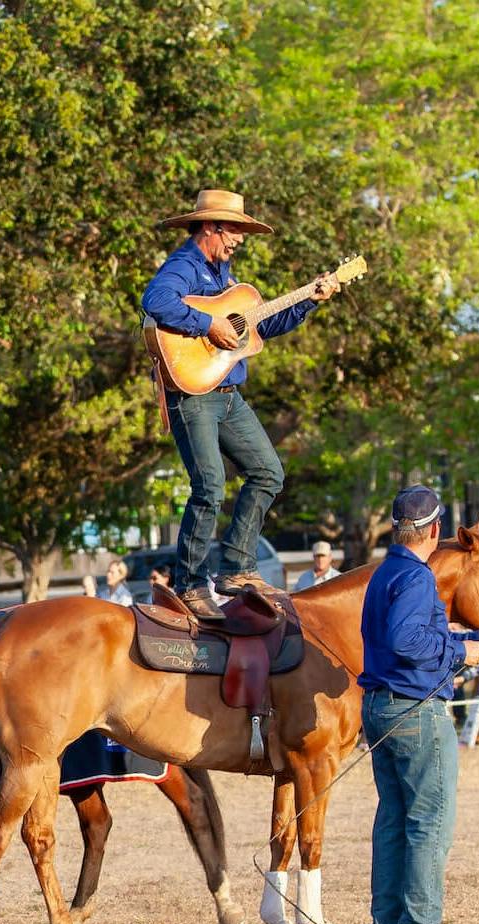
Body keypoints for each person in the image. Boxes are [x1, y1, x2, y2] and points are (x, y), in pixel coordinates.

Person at [141, 189, 340, 621]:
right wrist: (208, 323)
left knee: (269, 472)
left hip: (229, 396)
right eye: (234, 231)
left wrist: (309, 299)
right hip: (193, 397)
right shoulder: (185, 265)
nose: (240, 240)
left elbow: (264, 323)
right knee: (210, 486)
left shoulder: (227, 278)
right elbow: (155, 301)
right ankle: (189, 584)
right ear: (211, 227)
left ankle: (237, 568)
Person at [358, 485, 479, 924]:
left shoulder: (384, 572)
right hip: (416, 710)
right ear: (435, 530)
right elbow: (406, 640)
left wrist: (474, 637)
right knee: (429, 821)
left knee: (394, 820)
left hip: (379, 705)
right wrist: (460, 650)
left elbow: (400, 635)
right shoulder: (416, 577)